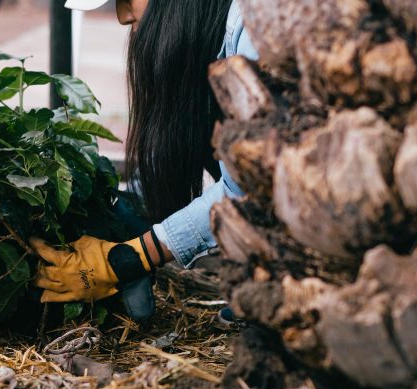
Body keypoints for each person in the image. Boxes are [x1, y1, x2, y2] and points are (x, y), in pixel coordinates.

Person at [31, 0, 258, 319]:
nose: (123, 17)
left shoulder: (254, 30)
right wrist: (126, 212)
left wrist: (130, 258)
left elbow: (253, 189)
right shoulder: (208, 31)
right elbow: (181, 135)